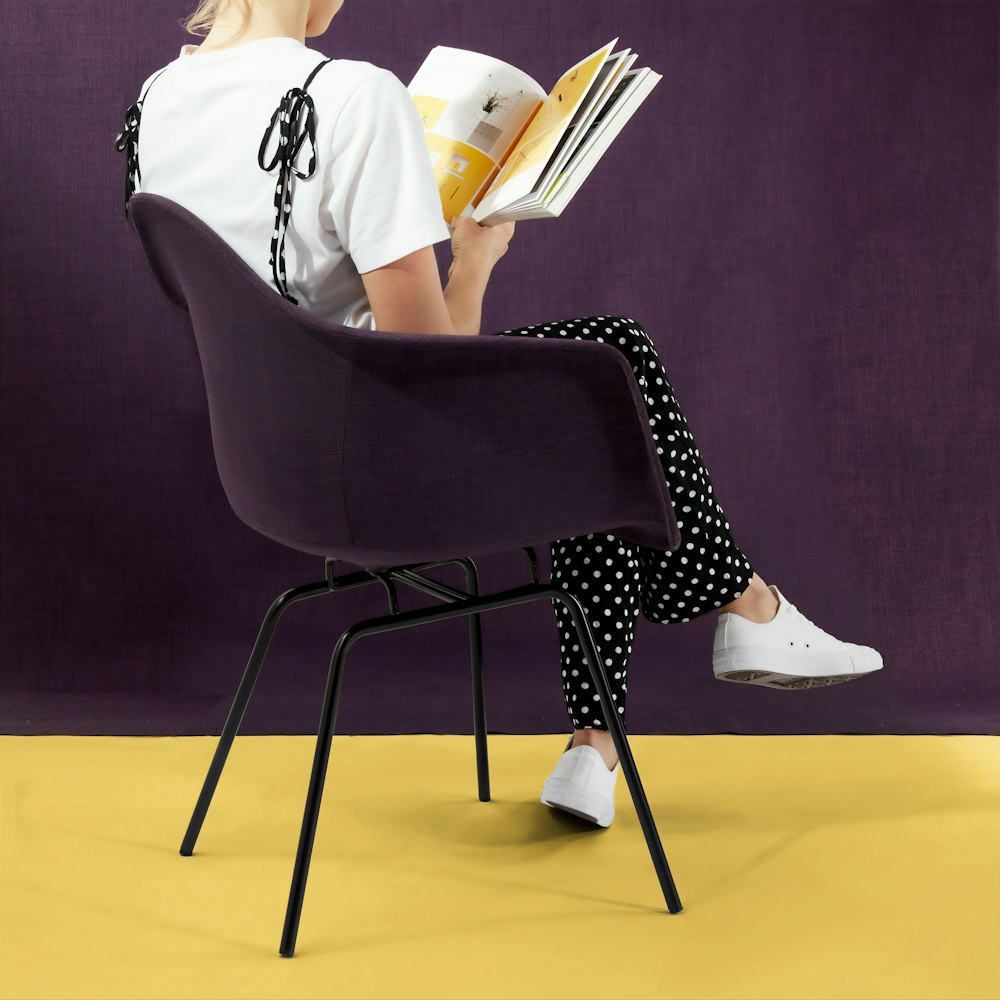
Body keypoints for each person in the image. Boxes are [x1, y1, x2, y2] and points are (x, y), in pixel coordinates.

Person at [116, 0, 884, 829]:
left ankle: (601, 747)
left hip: (271, 464)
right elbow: (428, 365)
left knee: (592, 399)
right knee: (607, 380)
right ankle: (737, 606)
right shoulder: (355, 96)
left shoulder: (156, 102)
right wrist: (474, 261)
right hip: (388, 468)